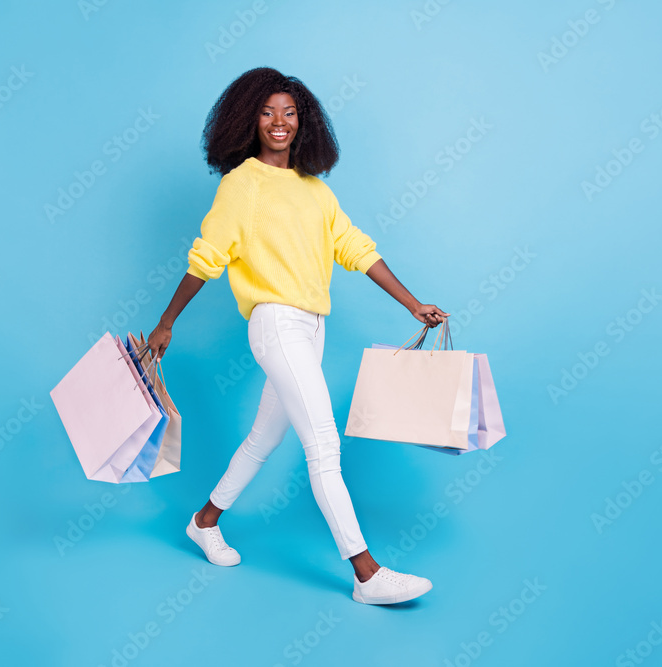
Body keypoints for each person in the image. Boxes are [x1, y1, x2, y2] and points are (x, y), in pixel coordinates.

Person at [147, 67, 448, 605]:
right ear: (248, 120)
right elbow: (207, 257)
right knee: (324, 444)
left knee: (265, 438)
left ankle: (204, 521)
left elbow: (357, 249)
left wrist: (413, 303)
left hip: (313, 327)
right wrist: (167, 321)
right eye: (266, 112)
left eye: (289, 112)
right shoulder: (242, 184)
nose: (278, 122)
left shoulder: (315, 192)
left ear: (303, 121)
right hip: (276, 323)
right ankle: (367, 575)